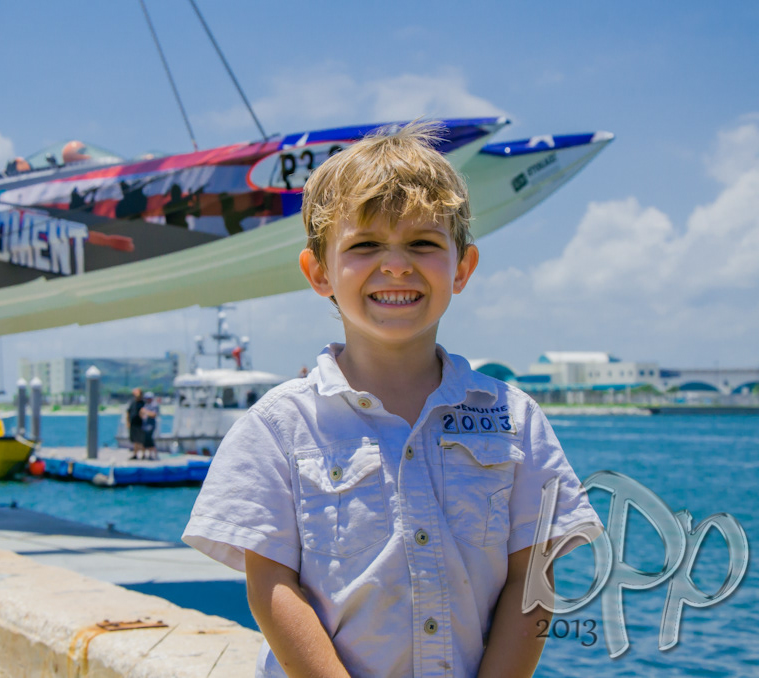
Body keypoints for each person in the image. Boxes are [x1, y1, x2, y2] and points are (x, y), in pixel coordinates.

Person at [182, 123, 602, 677]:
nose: (397, 265)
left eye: (423, 243)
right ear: (319, 272)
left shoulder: (514, 419)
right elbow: (271, 586)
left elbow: (533, 577)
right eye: (365, 245)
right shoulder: (279, 426)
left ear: (462, 268)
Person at [126, 387, 146, 460]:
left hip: (141, 424)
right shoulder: (132, 402)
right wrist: (128, 422)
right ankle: (135, 454)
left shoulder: (143, 403)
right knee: (135, 440)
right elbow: (128, 412)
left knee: (142, 440)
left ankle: (143, 454)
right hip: (133, 424)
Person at [140, 392, 160, 461]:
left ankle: (153, 455)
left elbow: (154, 414)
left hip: (150, 425)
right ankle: (146, 455)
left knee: (150, 440)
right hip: (145, 425)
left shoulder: (154, 405)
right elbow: (142, 414)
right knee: (145, 440)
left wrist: (145, 412)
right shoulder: (146, 405)